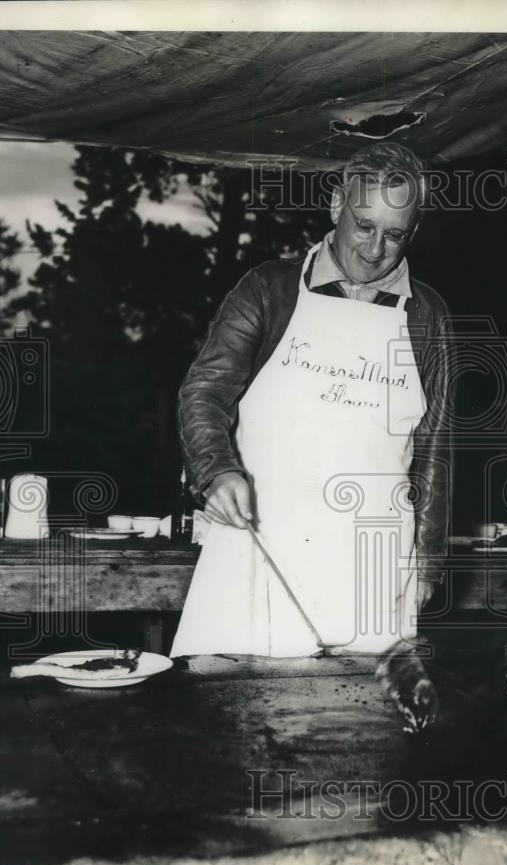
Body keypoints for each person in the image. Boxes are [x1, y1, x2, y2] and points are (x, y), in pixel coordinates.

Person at [171, 143, 452, 673]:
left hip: (374, 560)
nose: (374, 250)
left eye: (394, 235)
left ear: (413, 232)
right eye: (364, 226)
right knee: (228, 728)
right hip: (258, 548)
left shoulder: (428, 316)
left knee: (363, 739)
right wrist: (216, 471)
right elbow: (203, 393)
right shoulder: (267, 289)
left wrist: (429, 564)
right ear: (335, 206)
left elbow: (436, 447)